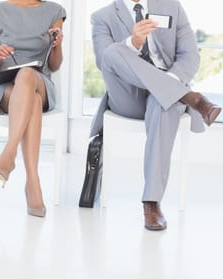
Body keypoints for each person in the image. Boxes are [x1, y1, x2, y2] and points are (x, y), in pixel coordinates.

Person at [90, 0, 221, 230]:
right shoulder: (102, 16)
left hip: (165, 91)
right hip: (127, 96)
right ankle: (191, 98)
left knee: (163, 102)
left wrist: (168, 84)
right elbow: (104, 62)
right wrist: (133, 43)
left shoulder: (172, 7)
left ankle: (151, 203)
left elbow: (190, 56)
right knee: (112, 51)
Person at [0, 0, 66, 217]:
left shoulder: (55, 11)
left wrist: (57, 45)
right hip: (5, 87)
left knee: (27, 74)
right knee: (34, 102)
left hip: (39, 80)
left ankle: (9, 154)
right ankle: (33, 182)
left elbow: (55, 65)